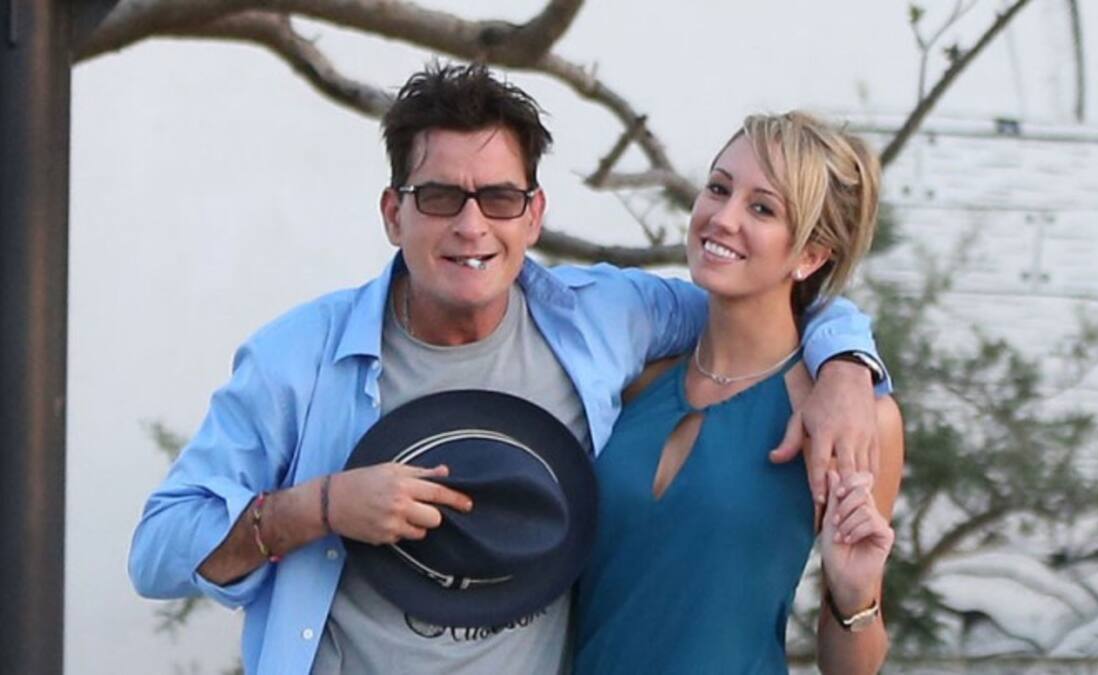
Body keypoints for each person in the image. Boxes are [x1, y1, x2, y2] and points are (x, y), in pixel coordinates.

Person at [128, 64, 892, 675]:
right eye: (439, 197)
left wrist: (846, 367)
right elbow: (158, 549)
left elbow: (773, 310)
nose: (471, 225)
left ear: (534, 213)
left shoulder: (602, 322)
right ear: (393, 213)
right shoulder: (297, 358)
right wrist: (322, 504)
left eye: (498, 197)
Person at [573, 111, 905, 675]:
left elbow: (850, 669)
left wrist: (855, 594)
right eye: (719, 188)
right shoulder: (634, 377)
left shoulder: (851, 418)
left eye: (762, 209)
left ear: (810, 255)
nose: (723, 218)